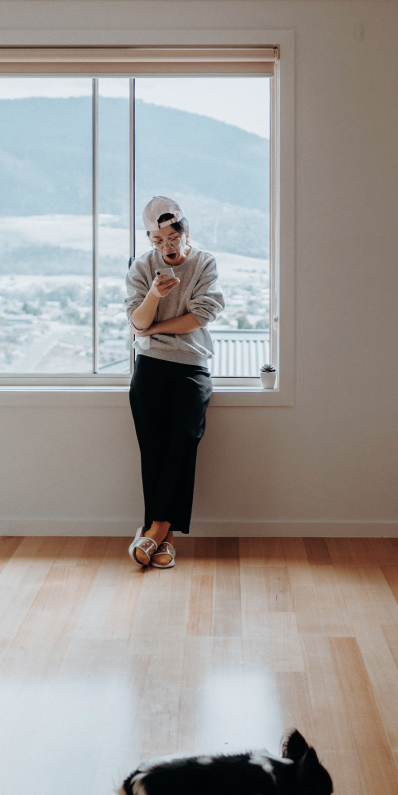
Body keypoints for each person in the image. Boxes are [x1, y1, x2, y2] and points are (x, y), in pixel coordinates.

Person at [124, 197, 225, 568]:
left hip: (191, 366)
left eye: (171, 238)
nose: (166, 248)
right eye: (157, 241)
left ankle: (155, 528)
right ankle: (164, 541)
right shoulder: (141, 268)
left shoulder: (204, 263)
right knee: (154, 450)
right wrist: (154, 295)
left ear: (185, 233)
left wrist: (155, 328)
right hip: (149, 365)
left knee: (184, 441)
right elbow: (136, 323)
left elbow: (199, 317)